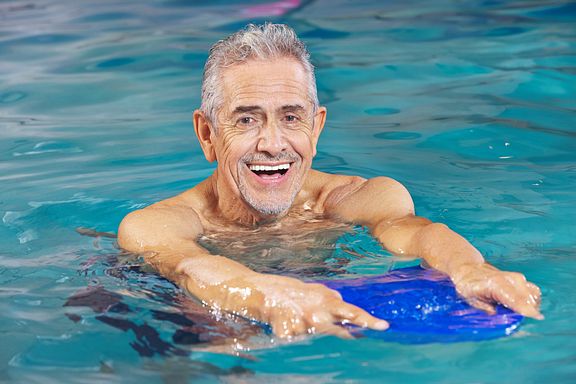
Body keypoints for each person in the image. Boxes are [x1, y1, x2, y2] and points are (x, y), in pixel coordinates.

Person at [118, 23, 542, 339]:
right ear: (207, 134)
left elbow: (419, 234)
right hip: (157, 309)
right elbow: (192, 267)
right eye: (246, 119)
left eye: (291, 117)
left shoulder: (355, 198)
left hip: (307, 292)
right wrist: (268, 294)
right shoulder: (157, 226)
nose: (272, 143)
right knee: (219, 337)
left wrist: (471, 269)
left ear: (316, 128)